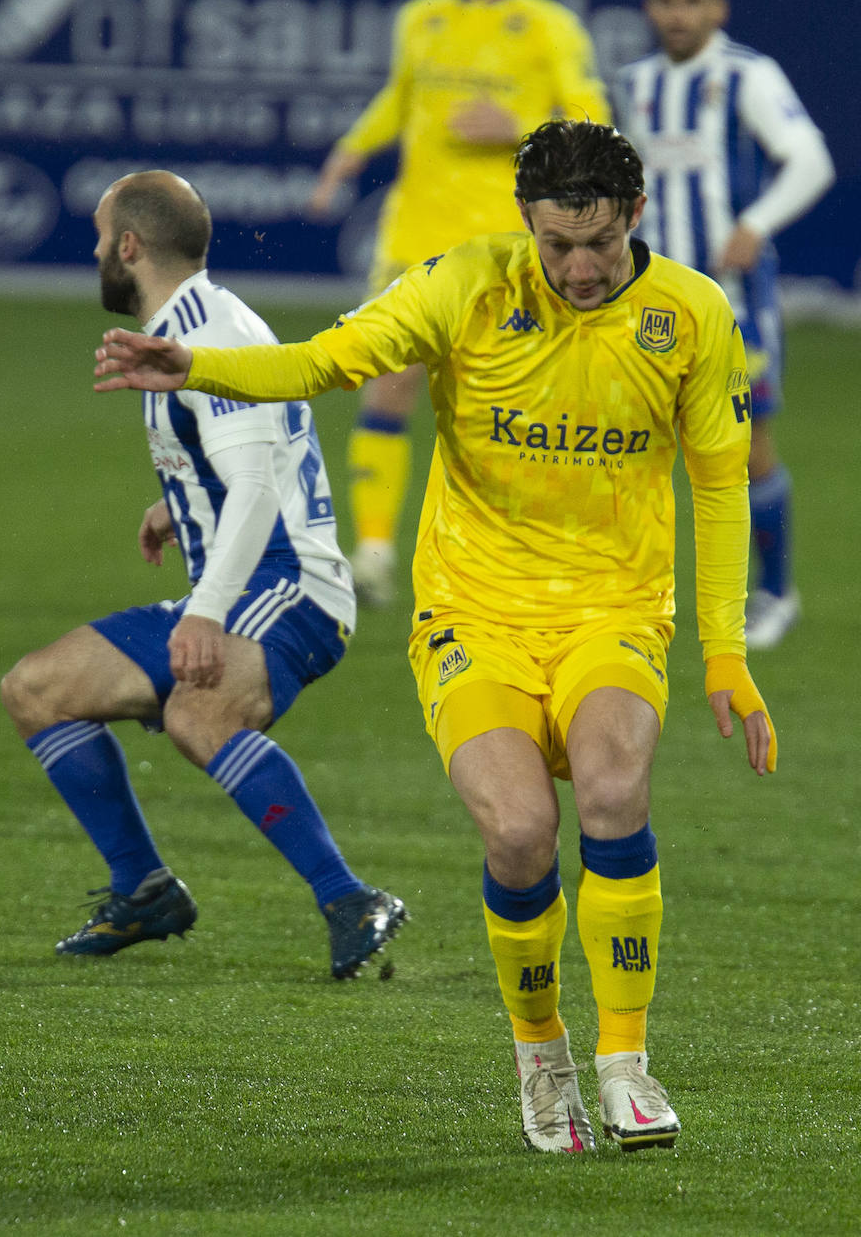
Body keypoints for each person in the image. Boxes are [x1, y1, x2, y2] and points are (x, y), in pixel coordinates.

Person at [96, 121, 776, 1155]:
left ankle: (626, 1063)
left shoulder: (690, 315)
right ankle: (540, 1053)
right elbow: (327, 360)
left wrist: (724, 655)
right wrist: (196, 364)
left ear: (633, 217)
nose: (579, 268)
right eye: (556, 245)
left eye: (597, 243)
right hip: (473, 614)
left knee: (610, 793)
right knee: (516, 835)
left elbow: (721, 483)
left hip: (613, 611)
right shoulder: (465, 285)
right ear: (526, 226)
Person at [0, 169, 406, 978]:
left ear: (128, 246)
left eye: (97, 238)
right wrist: (176, 500)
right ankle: (143, 888)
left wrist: (203, 614)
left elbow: (256, 487)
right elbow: (247, 459)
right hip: (244, 573)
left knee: (199, 715)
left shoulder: (210, 331)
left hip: (289, 587)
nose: (93, 253)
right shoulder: (195, 320)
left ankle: (349, 896)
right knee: (36, 690)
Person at [307, 0, 610, 609]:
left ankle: (519, 557)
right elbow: (401, 98)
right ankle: (374, 553)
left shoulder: (549, 28)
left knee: (519, 410)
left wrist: (517, 128)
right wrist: (349, 153)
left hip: (512, 248)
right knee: (390, 388)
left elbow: (591, 114)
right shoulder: (421, 19)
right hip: (413, 240)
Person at [616, 0, 835, 649]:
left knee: (745, 450)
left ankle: (773, 593)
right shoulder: (632, 84)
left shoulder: (747, 75)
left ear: (717, 10)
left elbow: (810, 160)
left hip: (734, 302)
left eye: (690, 0)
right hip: (643, 300)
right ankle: (621, 591)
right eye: (664, 0)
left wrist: (754, 224)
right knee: (620, 445)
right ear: (648, 9)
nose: (676, 12)